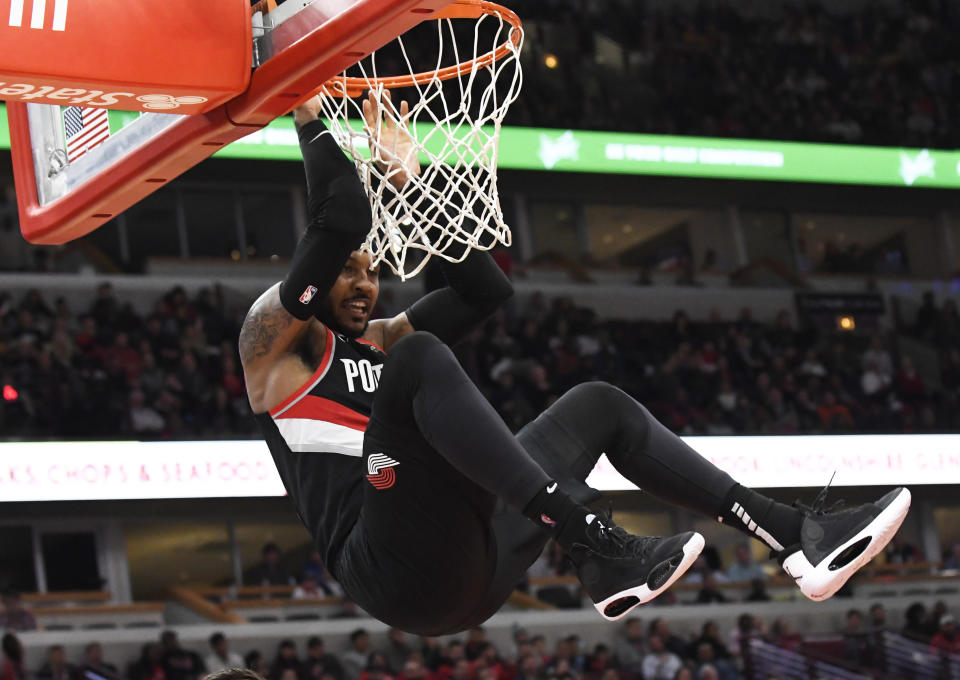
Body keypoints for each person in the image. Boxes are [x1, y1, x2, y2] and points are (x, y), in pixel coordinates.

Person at [239, 91, 911, 633]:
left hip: (471, 561)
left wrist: (412, 180)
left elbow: (485, 290)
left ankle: (795, 537)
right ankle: (592, 540)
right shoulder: (273, 349)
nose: (364, 285)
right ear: (311, 276)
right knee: (419, 355)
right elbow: (339, 218)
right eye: (348, 272)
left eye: (373, 272)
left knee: (599, 406)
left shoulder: (379, 337)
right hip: (387, 567)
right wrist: (307, 114)